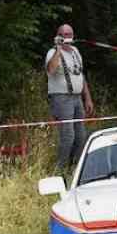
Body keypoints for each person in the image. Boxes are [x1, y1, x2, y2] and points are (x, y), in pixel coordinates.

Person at [46, 24, 95, 171]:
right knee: (68, 136)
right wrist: (59, 49)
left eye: (70, 34)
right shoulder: (52, 53)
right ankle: (60, 169)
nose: (68, 37)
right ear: (58, 35)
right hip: (61, 99)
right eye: (64, 34)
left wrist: (88, 98)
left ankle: (74, 168)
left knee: (81, 136)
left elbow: (81, 75)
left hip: (77, 98)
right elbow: (51, 70)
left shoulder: (75, 52)